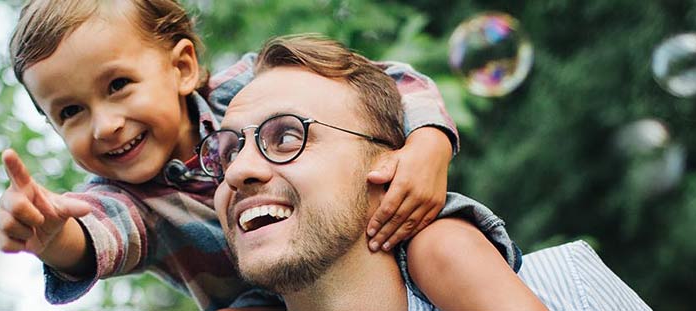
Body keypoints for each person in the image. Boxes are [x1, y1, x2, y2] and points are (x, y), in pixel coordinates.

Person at [0, 0, 504, 309]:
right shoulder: (128, 202)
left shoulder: (253, 88)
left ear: (183, 66)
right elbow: (97, 235)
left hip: (376, 241)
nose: (105, 125)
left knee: (443, 246)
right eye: (71, 111)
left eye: (119, 84)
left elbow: (389, 81)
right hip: (272, 298)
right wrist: (53, 238)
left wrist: (428, 144)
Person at [209, 34, 546, 311]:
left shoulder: (570, 284)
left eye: (286, 137)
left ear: (389, 162)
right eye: (228, 152)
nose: (238, 169)